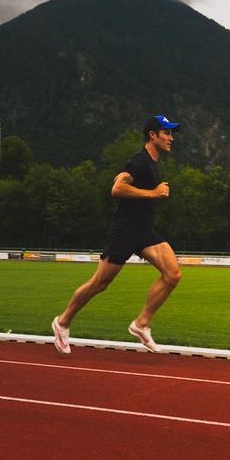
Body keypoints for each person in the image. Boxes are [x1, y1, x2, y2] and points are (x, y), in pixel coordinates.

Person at [51, 115, 183, 354]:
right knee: (100, 283)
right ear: (152, 135)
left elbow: (123, 179)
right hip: (124, 231)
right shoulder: (139, 161)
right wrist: (153, 193)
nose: (171, 138)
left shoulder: (153, 163)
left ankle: (141, 324)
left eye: (171, 133)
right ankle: (62, 322)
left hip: (144, 231)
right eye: (166, 133)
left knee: (173, 274)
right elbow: (117, 188)